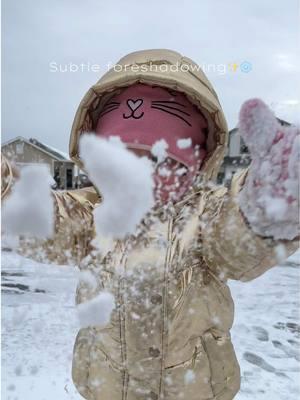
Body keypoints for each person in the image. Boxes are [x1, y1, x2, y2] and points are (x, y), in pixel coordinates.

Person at [2, 49, 299, 400]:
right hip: (106, 385)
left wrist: (263, 205)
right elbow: (42, 219)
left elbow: (236, 244)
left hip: (193, 387)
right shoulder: (91, 215)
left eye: (160, 160)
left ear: (196, 164)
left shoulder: (204, 215)